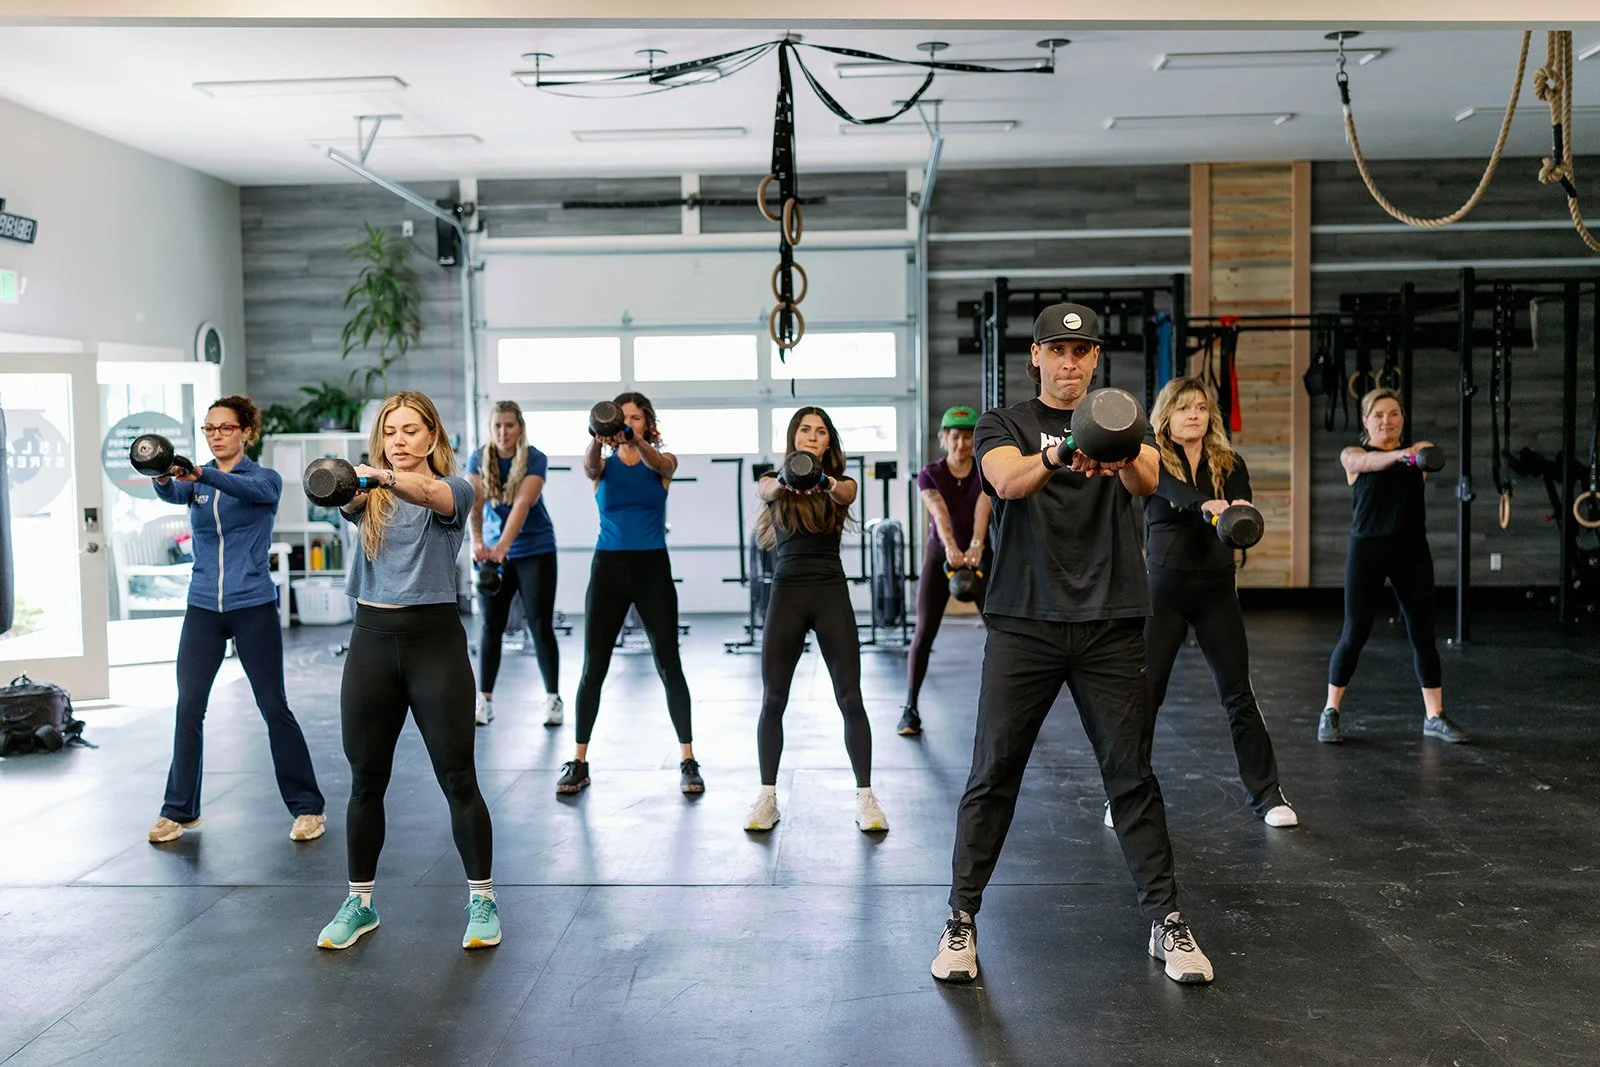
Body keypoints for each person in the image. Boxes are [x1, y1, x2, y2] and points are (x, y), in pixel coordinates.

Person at [932, 304, 1214, 987]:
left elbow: (1147, 477)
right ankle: (961, 919)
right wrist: (1058, 452)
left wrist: (1112, 449)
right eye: (1057, 350)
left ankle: (1168, 920)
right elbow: (1005, 481)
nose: (1069, 362)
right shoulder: (1006, 423)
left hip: (1110, 622)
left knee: (1132, 775)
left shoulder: (1124, 417)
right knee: (993, 771)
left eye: (1081, 351)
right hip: (1024, 621)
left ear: (1094, 359)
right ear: (1036, 356)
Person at [316, 391, 500, 952]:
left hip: (434, 645)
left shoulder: (454, 489)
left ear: (433, 438)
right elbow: (342, 496)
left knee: (458, 778)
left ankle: (483, 900)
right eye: (390, 432)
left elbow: (431, 493)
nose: (399, 441)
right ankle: (360, 903)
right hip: (371, 643)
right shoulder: (364, 496)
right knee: (365, 783)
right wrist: (355, 482)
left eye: (411, 431)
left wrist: (381, 477)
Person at [146, 396, 326, 846]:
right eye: (209, 429)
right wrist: (163, 471)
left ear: (247, 432)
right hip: (203, 607)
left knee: (274, 707)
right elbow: (172, 491)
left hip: (253, 607)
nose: (216, 436)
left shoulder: (264, 478)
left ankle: (308, 808)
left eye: (225, 428)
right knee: (188, 707)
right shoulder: (196, 482)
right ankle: (179, 810)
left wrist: (204, 474)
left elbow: (255, 494)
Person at [1128, 376, 1297, 830]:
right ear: (1167, 414)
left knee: (1238, 693)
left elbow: (1243, 506)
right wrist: (1208, 506)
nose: (1194, 415)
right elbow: (1172, 493)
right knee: (1147, 695)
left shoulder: (1229, 460)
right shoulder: (1151, 458)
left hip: (1216, 588)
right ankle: (1125, 794)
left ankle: (1267, 793)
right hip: (1163, 588)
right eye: (1184, 408)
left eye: (1201, 408)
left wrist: (1239, 509)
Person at [744, 406, 889, 835]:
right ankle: (767, 797)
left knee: (850, 697)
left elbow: (847, 494)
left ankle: (866, 798)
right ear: (794, 437)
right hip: (786, 594)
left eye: (820, 431)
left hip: (830, 593)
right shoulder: (774, 480)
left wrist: (819, 479)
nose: (812, 436)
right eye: (804, 430)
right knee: (773, 700)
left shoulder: (839, 482)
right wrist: (790, 477)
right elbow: (765, 490)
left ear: (829, 442)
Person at [557, 392, 702, 796]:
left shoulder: (663, 463)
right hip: (608, 570)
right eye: (623, 419)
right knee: (593, 668)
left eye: (635, 418)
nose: (628, 423)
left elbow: (659, 462)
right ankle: (579, 761)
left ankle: (688, 759)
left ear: (646, 423)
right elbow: (588, 466)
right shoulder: (602, 464)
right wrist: (597, 436)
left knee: (669, 663)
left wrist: (634, 440)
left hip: (653, 569)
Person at [1320, 388, 1469, 745]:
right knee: (1353, 633)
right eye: (1378, 415)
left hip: (1411, 550)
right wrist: (1400, 454)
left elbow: (1428, 455)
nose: (1387, 421)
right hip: (1367, 550)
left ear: (1402, 418)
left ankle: (1434, 716)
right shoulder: (1353, 455)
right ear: (1366, 421)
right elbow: (1364, 464)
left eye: (1394, 414)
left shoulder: (1420, 454)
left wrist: (1408, 454)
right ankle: (1330, 711)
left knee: (1422, 633)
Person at [898, 404, 992, 737]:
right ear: (943, 438)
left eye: (968, 437)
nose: (962, 444)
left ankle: (1008, 712)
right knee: (924, 631)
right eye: (955, 437)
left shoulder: (984, 471)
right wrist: (952, 548)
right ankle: (910, 708)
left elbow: (984, 507)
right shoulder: (930, 473)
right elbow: (939, 513)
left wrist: (977, 547)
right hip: (942, 552)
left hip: (980, 552)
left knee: (999, 632)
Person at [467, 400, 562, 728]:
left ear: (520, 427)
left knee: (539, 624)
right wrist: (478, 542)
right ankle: (485, 701)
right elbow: (475, 502)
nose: (503, 433)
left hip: (535, 549)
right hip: (493, 552)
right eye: (497, 426)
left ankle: (553, 700)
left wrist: (502, 547)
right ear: (490, 428)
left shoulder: (535, 458)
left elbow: (523, 503)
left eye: (509, 425)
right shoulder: (478, 458)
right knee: (490, 626)